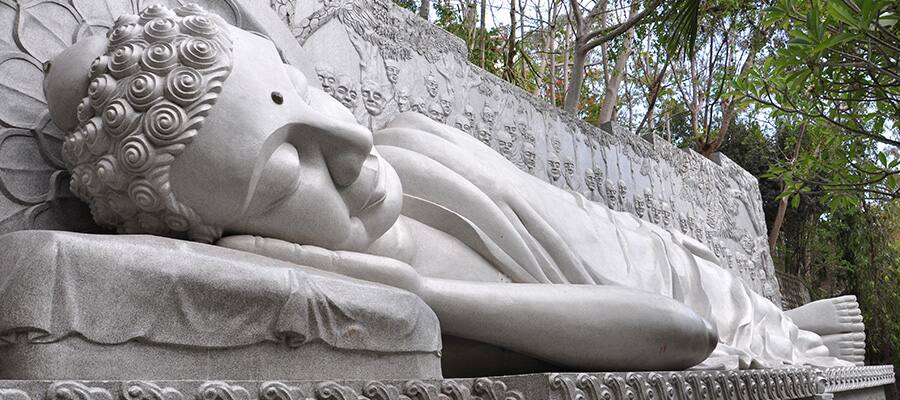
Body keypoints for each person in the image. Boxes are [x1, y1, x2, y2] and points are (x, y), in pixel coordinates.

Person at [44, 4, 850, 373]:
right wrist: (418, 291)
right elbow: (680, 335)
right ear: (229, 239)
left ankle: (790, 323)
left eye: (303, 90)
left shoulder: (410, 142)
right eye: (287, 171)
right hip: (684, 307)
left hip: (678, 260)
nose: (351, 147)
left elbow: (638, 259)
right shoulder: (402, 316)